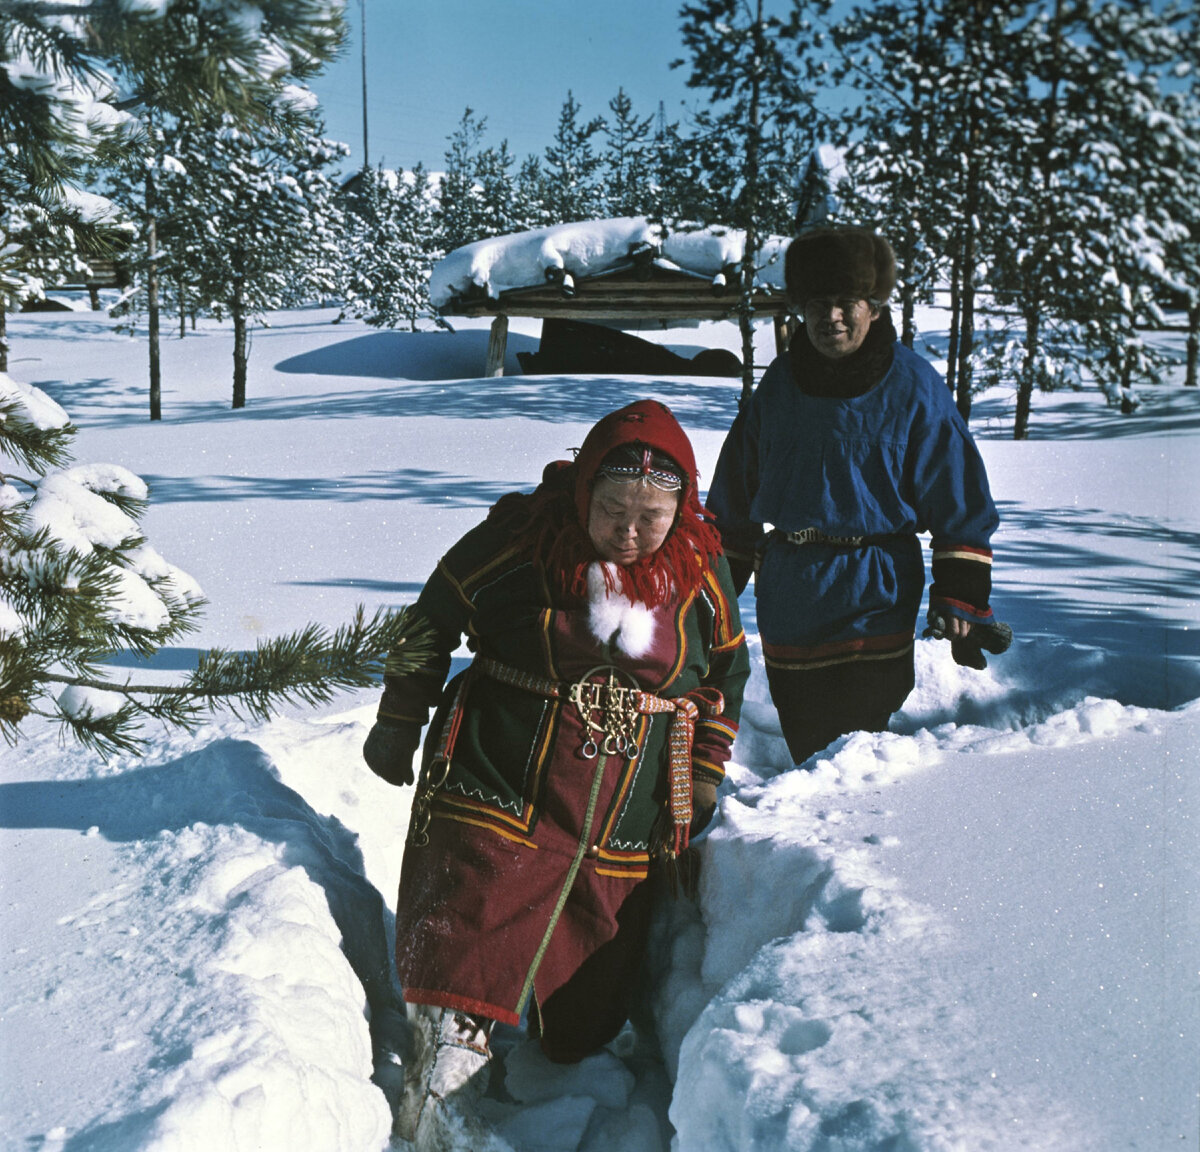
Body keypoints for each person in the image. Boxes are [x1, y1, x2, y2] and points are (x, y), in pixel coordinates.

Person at [362, 400, 749, 1147]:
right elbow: (430, 619)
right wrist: (399, 719)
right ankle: (442, 1070)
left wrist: (703, 770)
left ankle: (555, 1048)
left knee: (583, 1021)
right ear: (582, 495)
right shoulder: (524, 537)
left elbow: (725, 673)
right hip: (503, 774)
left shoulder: (700, 569)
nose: (629, 533)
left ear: (682, 507)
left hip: (621, 810)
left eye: (651, 517)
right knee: (473, 920)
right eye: (611, 511)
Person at [707, 225, 1007, 767]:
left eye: (846, 302)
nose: (832, 317)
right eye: (817, 304)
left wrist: (961, 590)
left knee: (862, 751)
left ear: (873, 305)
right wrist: (711, 594)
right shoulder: (779, 386)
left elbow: (957, 491)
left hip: (878, 586)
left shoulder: (914, 387)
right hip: (792, 589)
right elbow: (734, 498)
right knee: (809, 742)